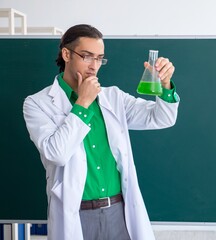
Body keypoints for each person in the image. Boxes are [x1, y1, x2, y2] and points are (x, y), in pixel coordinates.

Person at [23, 24, 179, 240]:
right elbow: (56, 154)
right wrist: (83, 102)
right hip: (76, 214)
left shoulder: (113, 97)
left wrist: (165, 85)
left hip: (119, 212)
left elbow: (161, 118)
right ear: (66, 54)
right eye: (87, 56)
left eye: (99, 58)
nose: (94, 65)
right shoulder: (37, 104)